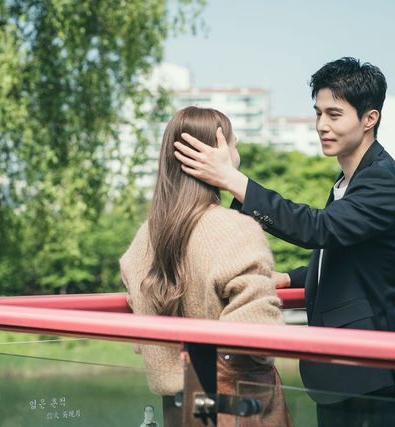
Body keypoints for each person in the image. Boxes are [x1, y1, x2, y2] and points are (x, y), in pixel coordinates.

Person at [172, 57, 395, 426]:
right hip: (349, 370)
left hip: (373, 372)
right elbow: (346, 256)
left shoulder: (380, 180)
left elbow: (318, 229)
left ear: (370, 118)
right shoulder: (348, 181)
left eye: (334, 115)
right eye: (318, 113)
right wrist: (291, 278)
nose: (321, 125)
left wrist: (233, 181)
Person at [120, 106, 293, 427]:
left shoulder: (143, 240)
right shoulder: (234, 229)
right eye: (234, 142)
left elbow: (140, 330)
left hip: (177, 407)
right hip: (235, 409)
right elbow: (260, 334)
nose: (237, 151)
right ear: (219, 148)